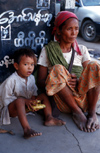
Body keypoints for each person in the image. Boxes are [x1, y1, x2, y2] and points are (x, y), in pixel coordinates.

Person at [37, 11, 100, 132]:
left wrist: (77, 80)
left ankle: (92, 114)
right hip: (63, 101)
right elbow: (40, 81)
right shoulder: (48, 50)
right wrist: (60, 80)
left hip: (84, 99)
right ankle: (77, 113)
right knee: (57, 69)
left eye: (76, 29)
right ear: (59, 31)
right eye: (69, 29)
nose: (74, 33)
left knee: (94, 65)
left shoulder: (82, 49)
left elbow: (91, 77)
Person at [0, 48, 65, 139]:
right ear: (16, 66)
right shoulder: (11, 81)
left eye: (32, 64)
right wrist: (24, 101)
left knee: (43, 96)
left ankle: (49, 117)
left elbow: (33, 91)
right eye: (25, 64)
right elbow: (5, 101)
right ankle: (27, 129)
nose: (30, 67)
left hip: (26, 105)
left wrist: (33, 100)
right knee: (19, 101)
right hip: (10, 109)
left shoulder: (31, 78)